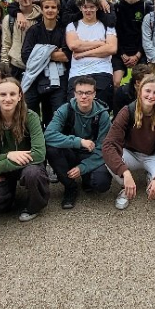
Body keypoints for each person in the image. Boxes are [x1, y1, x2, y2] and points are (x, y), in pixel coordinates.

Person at [0, 77, 48, 221]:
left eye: (12, 94)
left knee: (33, 174)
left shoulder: (31, 117)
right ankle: (9, 198)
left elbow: (39, 154)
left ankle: (34, 206)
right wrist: (8, 155)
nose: (8, 99)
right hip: (4, 172)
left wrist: (2, 165)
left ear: (19, 96)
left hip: (28, 166)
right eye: (3, 94)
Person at [103, 75, 155, 210]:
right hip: (130, 153)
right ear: (140, 91)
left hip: (153, 155)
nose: (151, 96)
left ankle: (151, 178)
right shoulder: (127, 111)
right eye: (147, 91)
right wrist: (125, 172)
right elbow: (108, 145)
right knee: (109, 159)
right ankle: (125, 187)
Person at [44, 75, 112, 210]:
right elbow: (48, 135)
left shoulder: (103, 115)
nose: (84, 96)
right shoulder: (65, 109)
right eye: (80, 93)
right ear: (74, 93)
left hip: (90, 154)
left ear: (94, 94)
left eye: (88, 93)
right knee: (51, 149)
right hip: (70, 151)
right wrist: (78, 141)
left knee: (101, 184)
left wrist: (83, 167)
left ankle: (87, 178)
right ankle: (70, 187)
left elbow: (103, 148)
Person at [20, 0, 70, 125]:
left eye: (53, 7)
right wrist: (53, 52)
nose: (50, 10)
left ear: (58, 10)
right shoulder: (33, 30)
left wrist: (39, 53)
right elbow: (26, 56)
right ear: (42, 10)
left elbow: (66, 56)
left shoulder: (64, 30)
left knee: (58, 113)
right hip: (36, 76)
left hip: (58, 77)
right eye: (46, 7)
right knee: (29, 111)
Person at [65, 0, 117, 108]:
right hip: (78, 73)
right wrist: (100, 44)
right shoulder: (72, 26)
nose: (88, 10)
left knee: (101, 109)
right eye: (85, 7)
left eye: (92, 7)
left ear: (97, 8)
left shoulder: (107, 26)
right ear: (80, 8)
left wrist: (83, 53)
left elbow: (111, 48)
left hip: (102, 71)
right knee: (75, 109)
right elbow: (74, 45)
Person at [113, 0, 151, 87]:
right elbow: (115, 34)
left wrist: (138, 55)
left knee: (144, 82)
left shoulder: (146, 7)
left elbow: (147, 34)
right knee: (116, 82)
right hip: (121, 51)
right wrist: (122, 54)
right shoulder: (117, 7)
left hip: (140, 51)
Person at [1, 0, 41, 80]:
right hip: (16, 66)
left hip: (37, 66)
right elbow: (6, 44)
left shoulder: (42, 17)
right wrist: (5, 69)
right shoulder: (9, 19)